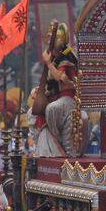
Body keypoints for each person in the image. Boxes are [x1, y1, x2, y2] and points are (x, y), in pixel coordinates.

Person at [36, 23, 80, 158]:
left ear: (62, 41)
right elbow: (51, 84)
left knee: (51, 109)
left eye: (55, 40)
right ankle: (48, 147)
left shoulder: (67, 57)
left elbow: (59, 77)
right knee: (32, 113)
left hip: (69, 98)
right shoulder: (55, 59)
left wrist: (48, 63)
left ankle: (57, 143)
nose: (51, 43)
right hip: (57, 97)